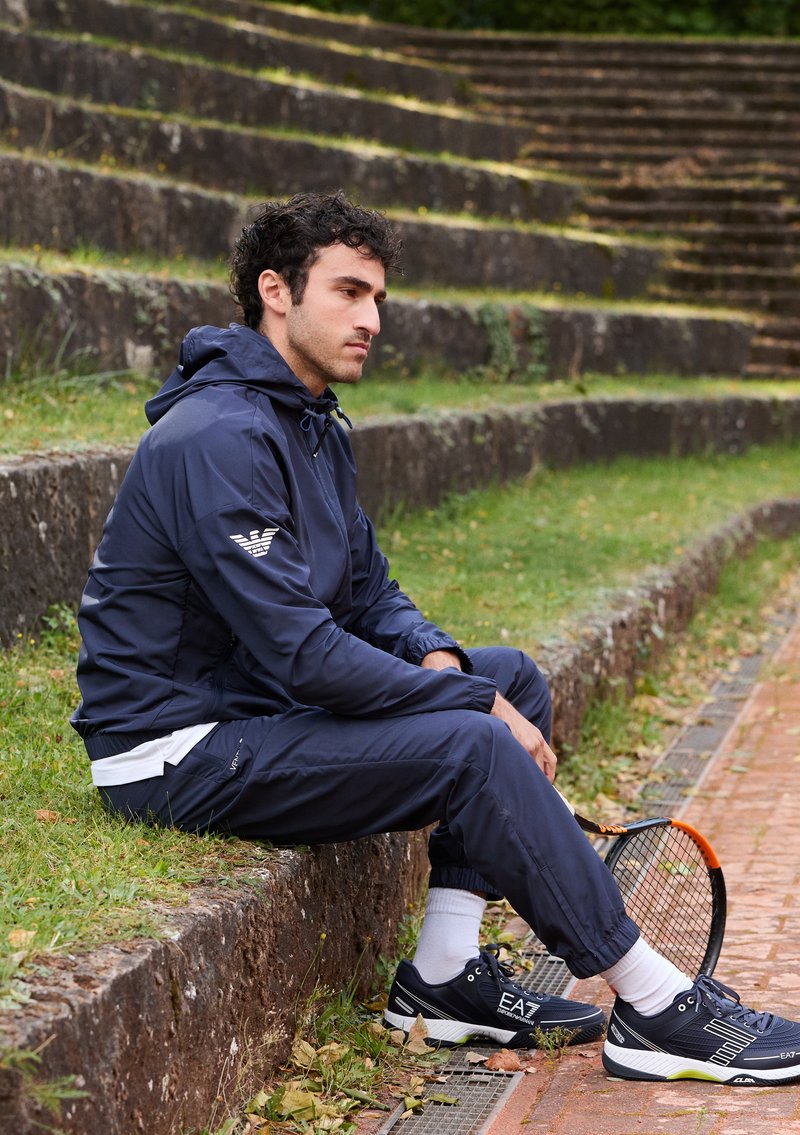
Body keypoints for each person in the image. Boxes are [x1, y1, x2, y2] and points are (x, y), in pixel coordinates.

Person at [72, 190, 800, 1086]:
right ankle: (652, 1004)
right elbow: (304, 652)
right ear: (275, 291)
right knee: (474, 737)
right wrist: (469, 703)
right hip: (175, 747)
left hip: (254, 708)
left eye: (378, 297)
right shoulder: (216, 436)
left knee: (511, 678)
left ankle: (444, 978)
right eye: (348, 292)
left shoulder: (308, 423)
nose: (371, 318)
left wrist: (441, 657)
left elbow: (370, 590)